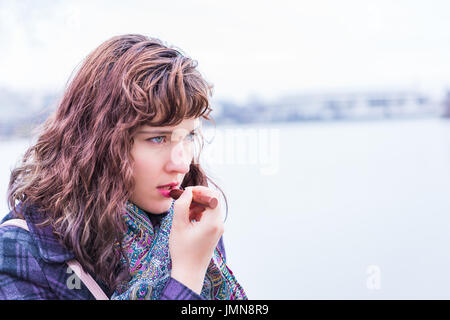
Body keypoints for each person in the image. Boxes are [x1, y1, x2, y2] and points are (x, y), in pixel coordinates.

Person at [0, 34, 247, 300]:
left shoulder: (189, 224)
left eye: (188, 136)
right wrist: (187, 275)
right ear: (97, 141)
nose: (181, 163)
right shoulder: (20, 251)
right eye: (157, 138)